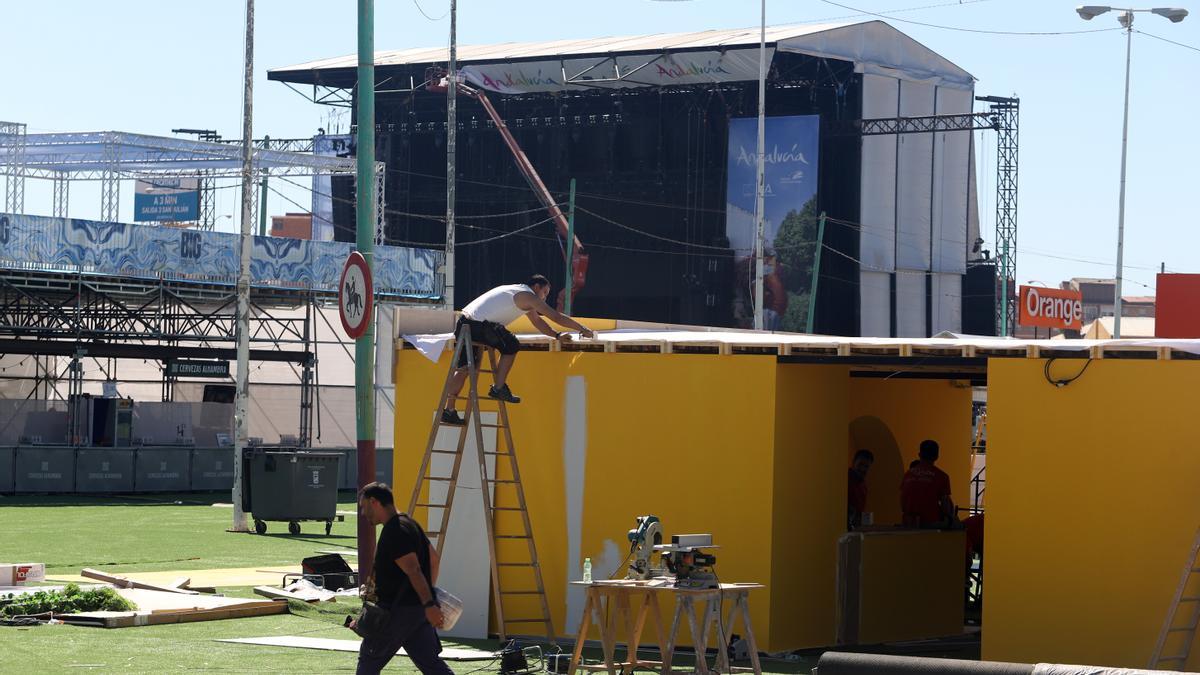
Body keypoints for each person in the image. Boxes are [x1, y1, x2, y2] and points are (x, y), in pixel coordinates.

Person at [442, 275, 595, 424]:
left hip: (464, 324)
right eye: (545, 293)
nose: (544, 298)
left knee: (465, 368)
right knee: (512, 344)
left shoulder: (517, 292)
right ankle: (498, 387)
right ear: (536, 287)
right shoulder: (529, 296)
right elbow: (555, 316)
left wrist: (557, 335)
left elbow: (537, 321)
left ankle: (449, 410)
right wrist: (582, 328)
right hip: (478, 326)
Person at [354, 482, 453, 675]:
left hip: (395, 613)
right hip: (416, 614)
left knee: (368, 661)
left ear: (374, 502)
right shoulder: (410, 524)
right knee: (432, 665)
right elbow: (434, 560)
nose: (363, 514)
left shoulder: (395, 531)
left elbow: (413, 570)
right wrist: (425, 600)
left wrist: (430, 604)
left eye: (364, 507)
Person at [900, 439, 955, 528]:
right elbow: (945, 504)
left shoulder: (908, 474)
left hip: (908, 523)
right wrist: (950, 520)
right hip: (931, 523)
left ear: (920, 455)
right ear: (937, 456)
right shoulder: (941, 476)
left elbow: (902, 501)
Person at [847, 449, 874, 529]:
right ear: (853, 462)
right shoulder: (844, 480)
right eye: (860, 464)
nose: (863, 469)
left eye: (866, 466)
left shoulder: (863, 485)